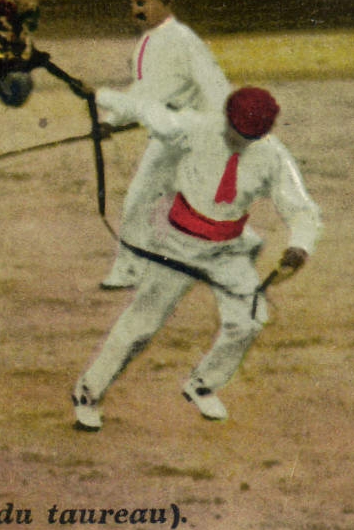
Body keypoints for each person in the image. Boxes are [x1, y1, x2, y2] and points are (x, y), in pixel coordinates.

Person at [72, 86, 321, 431]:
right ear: (227, 118)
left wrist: (299, 247)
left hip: (227, 250)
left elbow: (302, 209)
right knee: (142, 323)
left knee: (249, 320)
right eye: (238, 132)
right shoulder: (193, 126)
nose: (242, 141)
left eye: (251, 136)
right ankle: (88, 393)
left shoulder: (273, 155)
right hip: (179, 242)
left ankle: (203, 384)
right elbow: (145, 108)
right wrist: (98, 95)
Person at [99, 0, 231, 289]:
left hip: (188, 137)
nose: (136, 11)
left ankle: (131, 269)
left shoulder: (184, 40)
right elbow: (143, 93)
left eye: (142, 3)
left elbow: (216, 87)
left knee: (142, 201)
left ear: (165, 2)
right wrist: (111, 121)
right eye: (133, 4)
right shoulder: (147, 42)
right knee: (174, 203)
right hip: (168, 135)